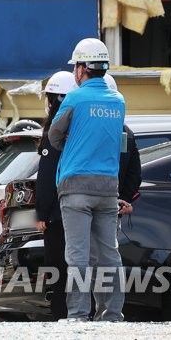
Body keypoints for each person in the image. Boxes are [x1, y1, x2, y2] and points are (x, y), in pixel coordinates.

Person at [49, 38, 126, 322]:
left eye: (75, 67)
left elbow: (54, 136)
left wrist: (72, 141)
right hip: (107, 188)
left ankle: (79, 314)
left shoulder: (75, 98)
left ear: (82, 68)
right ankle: (112, 313)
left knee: (78, 255)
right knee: (109, 254)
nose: (74, 73)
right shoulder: (119, 101)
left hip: (76, 188)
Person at [34, 70, 77, 320]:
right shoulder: (80, 130)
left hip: (58, 215)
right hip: (81, 209)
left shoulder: (55, 133)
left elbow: (47, 176)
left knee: (58, 274)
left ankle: (62, 319)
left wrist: (42, 211)